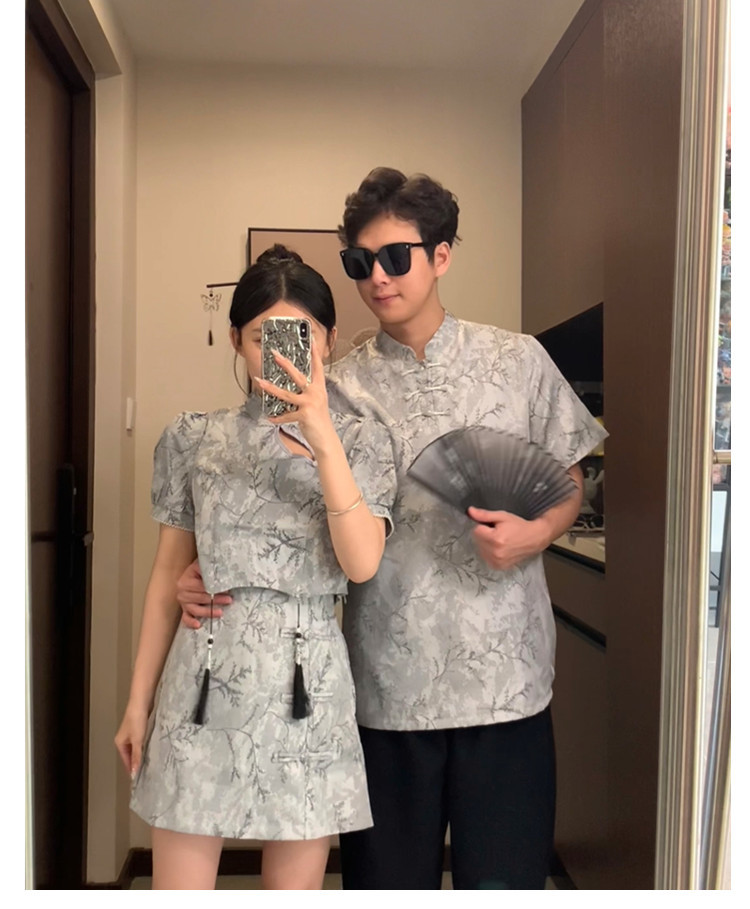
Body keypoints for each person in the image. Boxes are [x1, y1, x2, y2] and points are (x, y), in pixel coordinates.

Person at [177, 169, 608, 889]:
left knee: (505, 884)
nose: (377, 276)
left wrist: (539, 533)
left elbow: (568, 480)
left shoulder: (517, 362)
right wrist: (204, 575)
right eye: (360, 262)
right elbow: (263, 508)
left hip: (507, 680)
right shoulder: (332, 388)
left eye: (396, 257)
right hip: (382, 688)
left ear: (441, 255)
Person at [114, 246, 397, 890]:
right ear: (237, 340)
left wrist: (321, 435)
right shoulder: (192, 437)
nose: (283, 352)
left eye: (301, 336)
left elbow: (361, 564)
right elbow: (165, 579)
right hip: (201, 682)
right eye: (264, 337)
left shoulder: (362, 440)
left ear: (328, 340)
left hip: (309, 689)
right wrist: (137, 703)